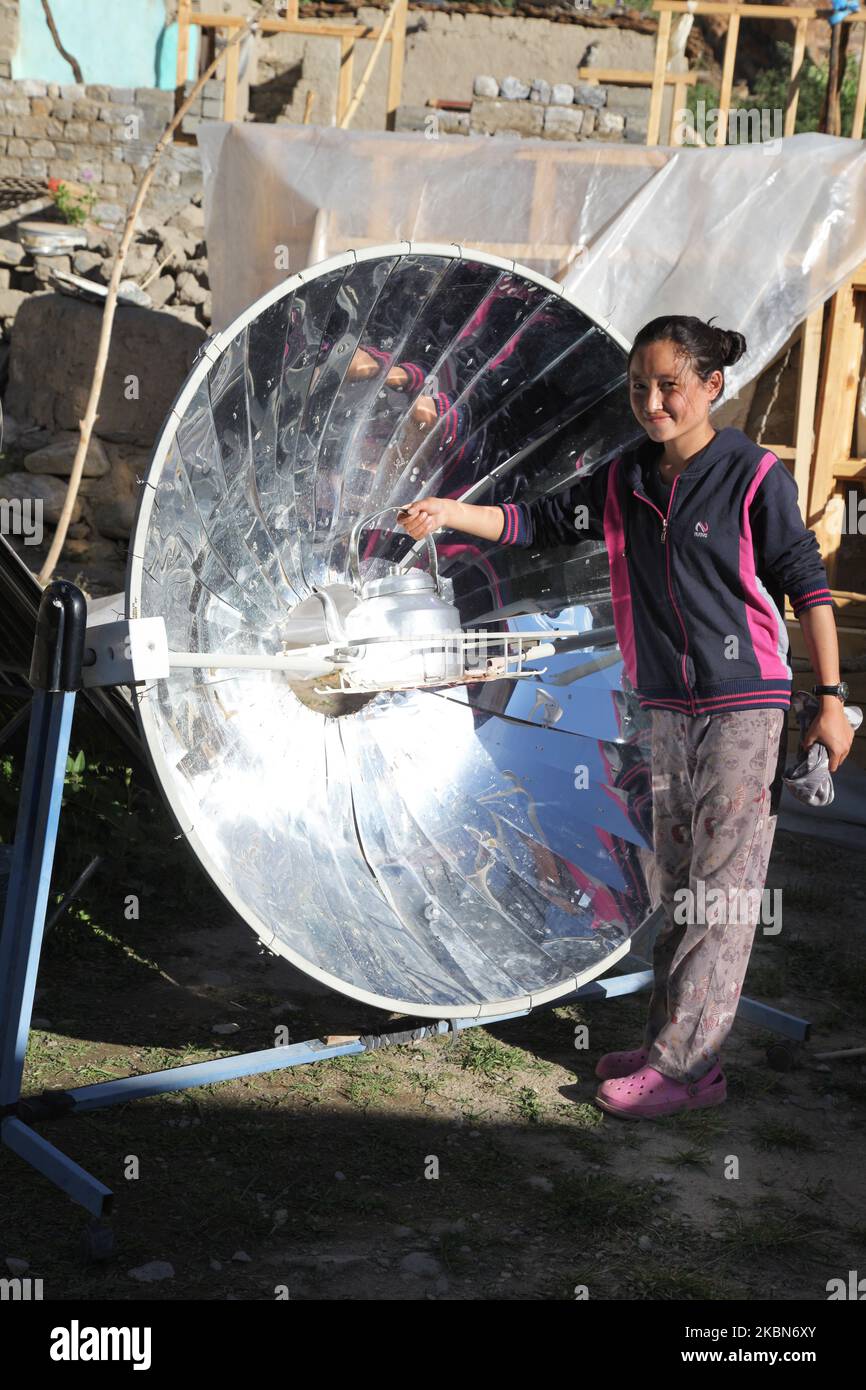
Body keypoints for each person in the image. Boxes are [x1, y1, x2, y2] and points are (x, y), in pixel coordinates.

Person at [399, 314, 855, 1120]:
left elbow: (808, 585)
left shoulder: (754, 475)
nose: (651, 402)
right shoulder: (625, 479)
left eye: (669, 386)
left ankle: (690, 1069)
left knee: (723, 891)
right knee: (680, 882)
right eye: (639, 387)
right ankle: (666, 1046)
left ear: (711, 387)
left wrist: (832, 702)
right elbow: (532, 522)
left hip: (744, 707)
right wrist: (450, 512)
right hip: (666, 708)